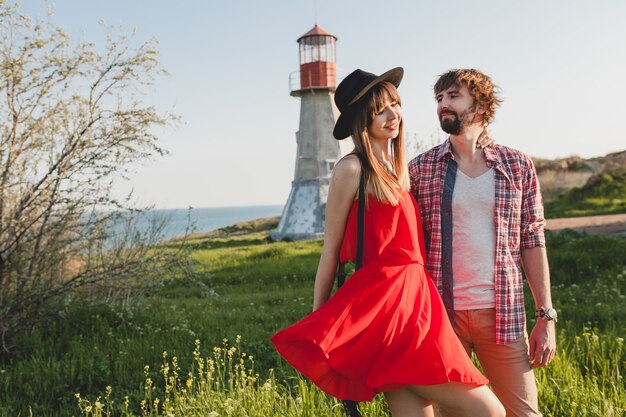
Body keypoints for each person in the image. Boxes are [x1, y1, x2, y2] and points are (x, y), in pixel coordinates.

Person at [272, 67, 505, 417]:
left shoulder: (399, 172)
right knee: (490, 412)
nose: (392, 115)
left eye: (395, 104)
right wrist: (321, 321)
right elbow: (331, 251)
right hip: (388, 310)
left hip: (418, 305)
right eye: (380, 109)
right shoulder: (352, 169)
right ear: (359, 120)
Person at [408, 69, 556, 417]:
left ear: (482, 104)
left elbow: (533, 239)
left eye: (453, 96)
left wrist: (545, 316)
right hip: (443, 316)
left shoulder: (517, 165)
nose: (443, 105)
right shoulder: (420, 167)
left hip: (501, 313)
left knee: (524, 413)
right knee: (457, 414)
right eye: (439, 99)